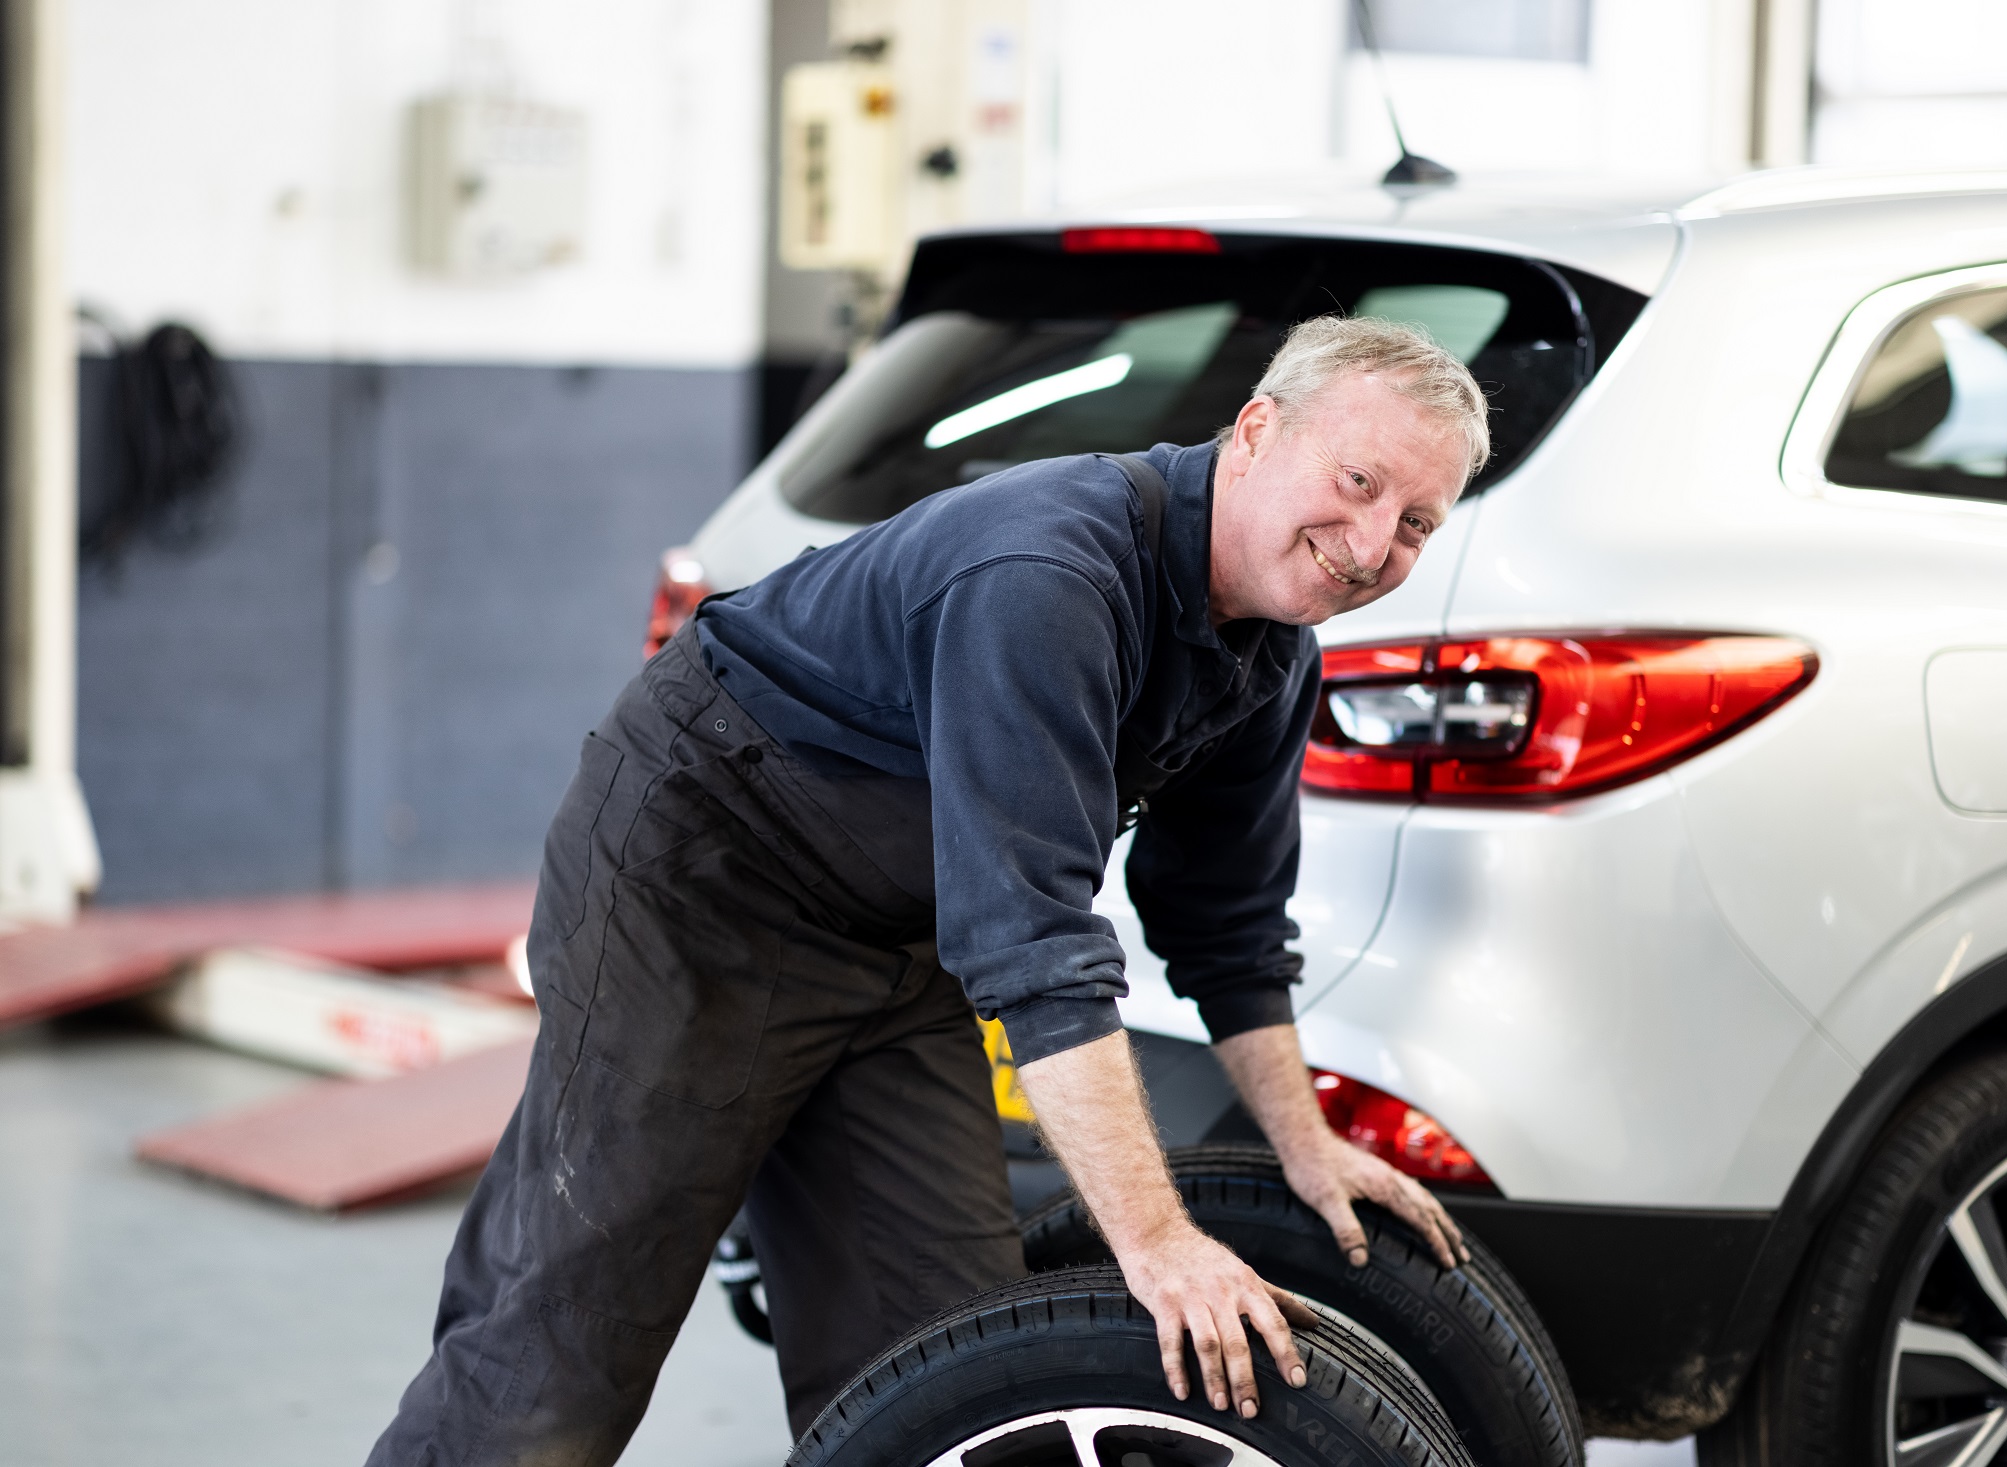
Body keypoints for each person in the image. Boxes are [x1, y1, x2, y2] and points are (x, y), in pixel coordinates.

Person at [366, 315, 1489, 1466]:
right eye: (1356, 483)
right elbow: (1035, 942)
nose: (1368, 545)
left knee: (938, 1354)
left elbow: (1227, 923)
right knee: (574, 1324)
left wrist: (1303, 1147)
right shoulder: (1050, 570)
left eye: (1413, 524)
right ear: (1255, 431)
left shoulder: (1267, 659)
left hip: (898, 938)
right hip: (700, 881)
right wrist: (1154, 1241)